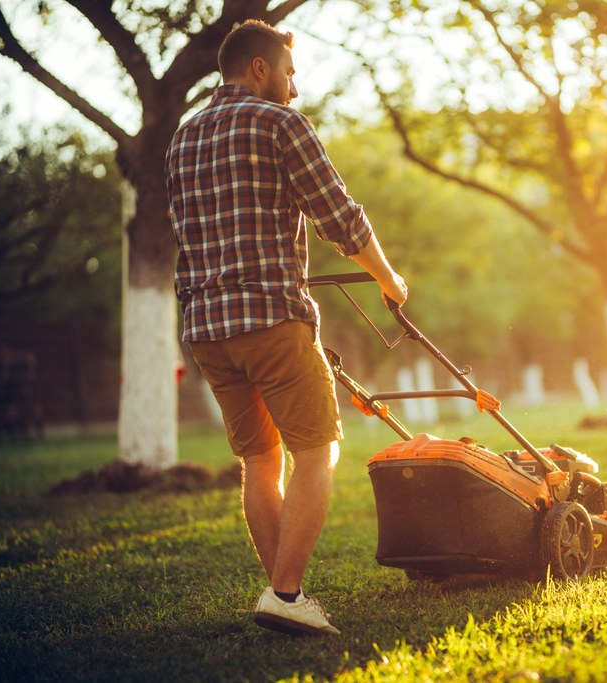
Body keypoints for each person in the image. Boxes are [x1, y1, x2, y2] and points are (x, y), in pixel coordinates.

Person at [165, 18, 407, 636]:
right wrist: (387, 277)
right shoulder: (280, 123)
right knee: (317, 450)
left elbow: (188, 240)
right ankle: (286, 593)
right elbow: (339, 218)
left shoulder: (183, 138)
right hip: (270, 317)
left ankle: (283, 598)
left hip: (206, 327)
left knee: (260, 459)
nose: (295, 89)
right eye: (290, 74)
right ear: (259, 68)